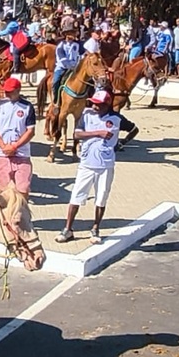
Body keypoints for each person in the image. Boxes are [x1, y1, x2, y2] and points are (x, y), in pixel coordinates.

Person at [56, 90, 120, 244]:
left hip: (105, 165)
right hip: (86, 164)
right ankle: (67, 229)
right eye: (93, 103)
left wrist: (119, 145)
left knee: (101, 197)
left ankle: (96, 228)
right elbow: (76, 135)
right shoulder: (86, 115)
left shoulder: (116, 118)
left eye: (98, 104)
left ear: (107, 105)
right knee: (76, 195)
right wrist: (98, 133)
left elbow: (133, 129)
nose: (94, 107)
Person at [0, 77, 36, 197]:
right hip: (2, 153)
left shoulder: (27, 106)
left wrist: (15, 146)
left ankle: (22, 213)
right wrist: (4, 146)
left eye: (10, 91)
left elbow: (30, 131)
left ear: (18, 90)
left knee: (23, 189)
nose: (7, 93)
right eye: (6, 91)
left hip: (22, 153)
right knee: (4, 190)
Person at [53, 29, 82, 97]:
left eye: (73, 34)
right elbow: (62, 58)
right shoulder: (61, 45)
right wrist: (70, 67)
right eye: (70, 34)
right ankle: (56, 99)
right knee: (56, 82)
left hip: (75, 68)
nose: (72, 35)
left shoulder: (77, 45)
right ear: (66, 35)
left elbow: (82, 54)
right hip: (62, 67)